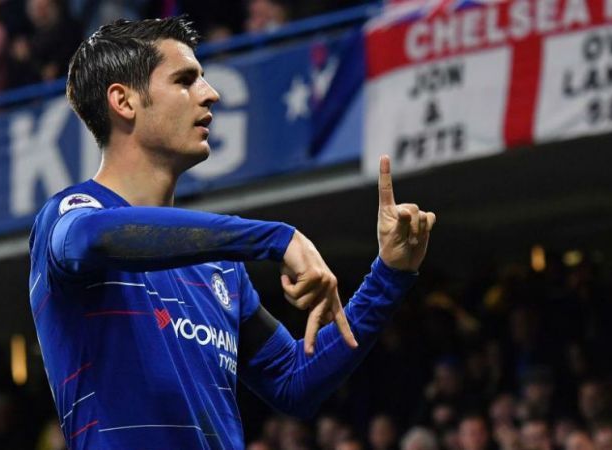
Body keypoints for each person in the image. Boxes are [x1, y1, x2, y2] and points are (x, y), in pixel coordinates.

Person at [27, 15, 435, 450]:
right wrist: (277, 238)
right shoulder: (68, 216)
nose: (210, 93)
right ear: (123, 102)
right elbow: (93, 237)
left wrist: (388, 276)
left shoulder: (218, 265)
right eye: (185, 80)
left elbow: (294, 381)